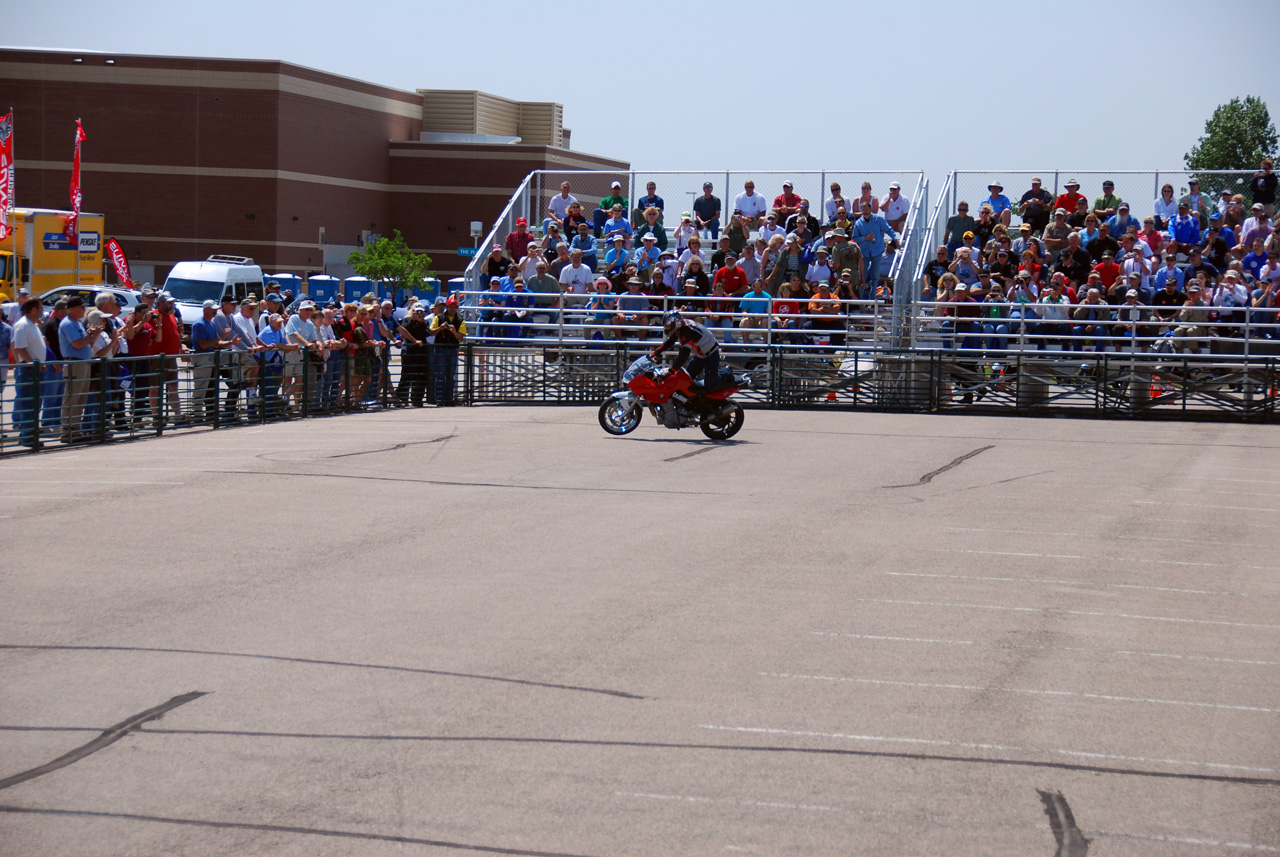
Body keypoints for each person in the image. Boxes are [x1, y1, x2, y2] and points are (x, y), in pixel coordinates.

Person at [653, 309, 724, 395]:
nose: (666, 328)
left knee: (710, 388)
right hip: (700, 355)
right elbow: (671, 341)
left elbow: (684, 354)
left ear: (676, 323)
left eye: (668, 326)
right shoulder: (681, 327)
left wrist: (671, 371)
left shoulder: (687, 331)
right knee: (686, 378)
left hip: (711, 356)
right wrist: (656, 352)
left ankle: (727, 376)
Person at [11, 297, 47, 445]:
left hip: (35, 369)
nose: (42, 310)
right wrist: (33, 363)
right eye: (40, 308)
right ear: (33, 310)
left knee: (35, 405)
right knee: (28, 405)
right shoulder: (22, 325)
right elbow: (19, 348)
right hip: (28, 371)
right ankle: (27, 436)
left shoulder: (33, 325)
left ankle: (31, 435)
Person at [851, 201, 899, 298]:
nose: (865, 212)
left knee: (875, 277)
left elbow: (888, 229)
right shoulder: (858, 223)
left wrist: (895, 239)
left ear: (870, 209)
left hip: (877, 251)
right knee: (863, 276)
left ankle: (872, 299)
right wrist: (865, 238)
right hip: (864, 253)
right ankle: (861, 300)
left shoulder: (878, 219)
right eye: (863, 210)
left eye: (866, 209)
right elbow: (855, 237)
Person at [430, 296, 465, 405]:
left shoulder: (460, 320)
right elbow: (431, 332)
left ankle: (449, 399)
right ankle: (440, 399)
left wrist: (454, 332)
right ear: (447, 307)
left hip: (453, 349)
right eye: (450, 306)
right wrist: (440, 328)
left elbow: (461, 338)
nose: (452, 309)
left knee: (451, 375)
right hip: (440, 348)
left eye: (454, 307)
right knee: (440, 374)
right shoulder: (439, 318)